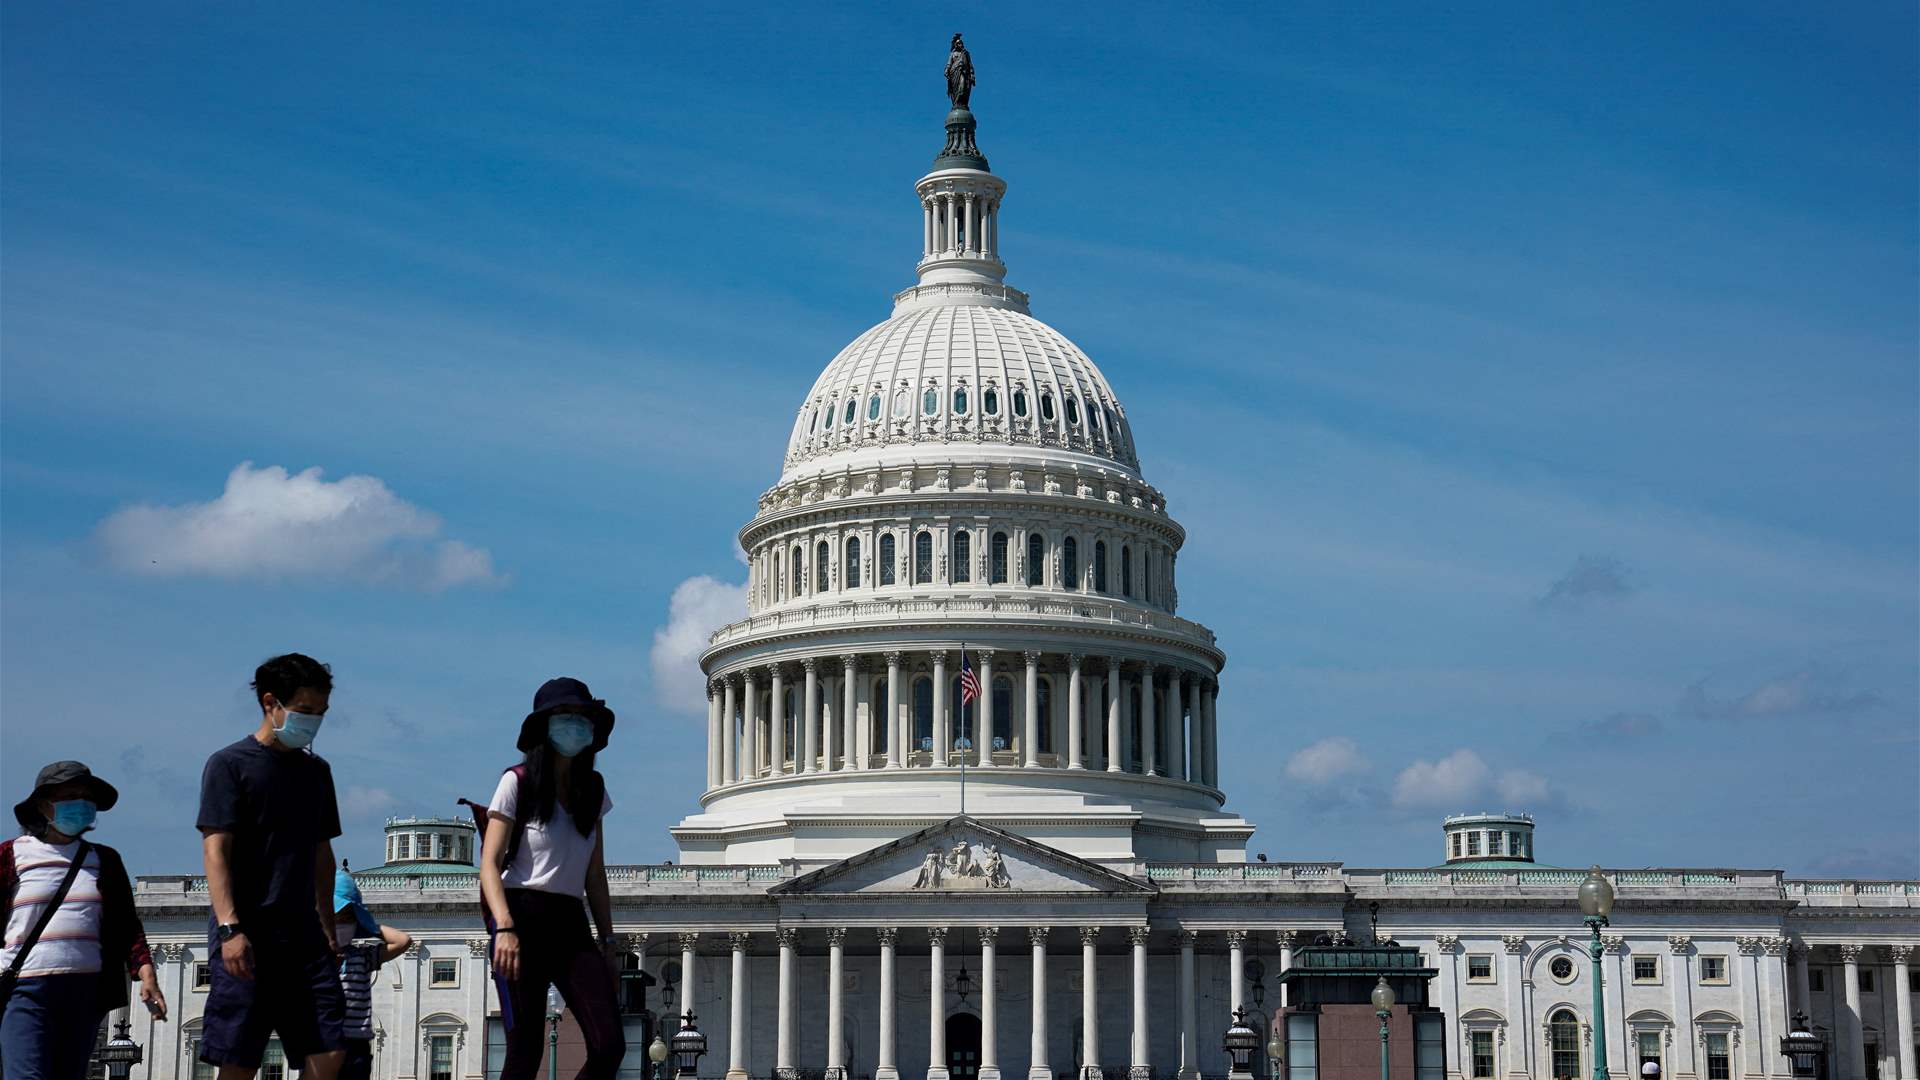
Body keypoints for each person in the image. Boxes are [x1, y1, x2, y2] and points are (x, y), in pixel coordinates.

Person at [196, 653, 348, 1080]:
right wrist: (229, 928)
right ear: (270, 703)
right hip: (248, 928)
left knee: (330, 1046)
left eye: (321, 712)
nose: (314, 721)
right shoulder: (229, 764)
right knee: (239, 1056)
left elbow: (322, 853)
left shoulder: (317, 772)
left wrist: (328, 925)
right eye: (304, 710)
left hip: (305, 933)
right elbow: (215, 850)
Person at [480, 677, 625, 1080]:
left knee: (609, 1045)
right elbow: (489, 863)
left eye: (582, 716)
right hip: (520, 915)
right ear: (543, 726)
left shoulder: (593, 789)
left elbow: (595, 874)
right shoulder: (517, 781)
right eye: (565, 715)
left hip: (570, 921)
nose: (575, 724)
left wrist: (608, 942)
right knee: (525, 1049)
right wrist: (504, 927)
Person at [0, 761, 167, 1079]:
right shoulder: (11, 854)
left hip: (85, 990)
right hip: (26, 987)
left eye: (87, 798)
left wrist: (147, 974)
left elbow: (126, 925)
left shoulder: (105, 859)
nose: (81, 804)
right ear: (43, 805)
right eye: (70, 796)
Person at [332, 866, 410, 1080]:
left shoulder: (362, 956)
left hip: (357, 1045)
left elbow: (403, 941)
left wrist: (370, 927)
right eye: (335, 918)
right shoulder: (314, 959)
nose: (341, 924)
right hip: (325, 1041)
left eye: (348, 918)